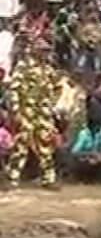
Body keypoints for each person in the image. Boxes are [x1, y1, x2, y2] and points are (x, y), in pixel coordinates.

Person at [5, 42, 60, 189]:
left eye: (47, 51)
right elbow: (14, 89)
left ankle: (48, 179)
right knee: (21, 143)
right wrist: (16, 110)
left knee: (45, 144)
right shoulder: (24, 66)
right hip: (26, 111)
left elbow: (56, 87)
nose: (45, 53)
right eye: (42, 50)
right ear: (34, 50)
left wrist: (51, 104)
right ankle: (12, 178)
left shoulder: (48, 69)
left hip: (43, 113)